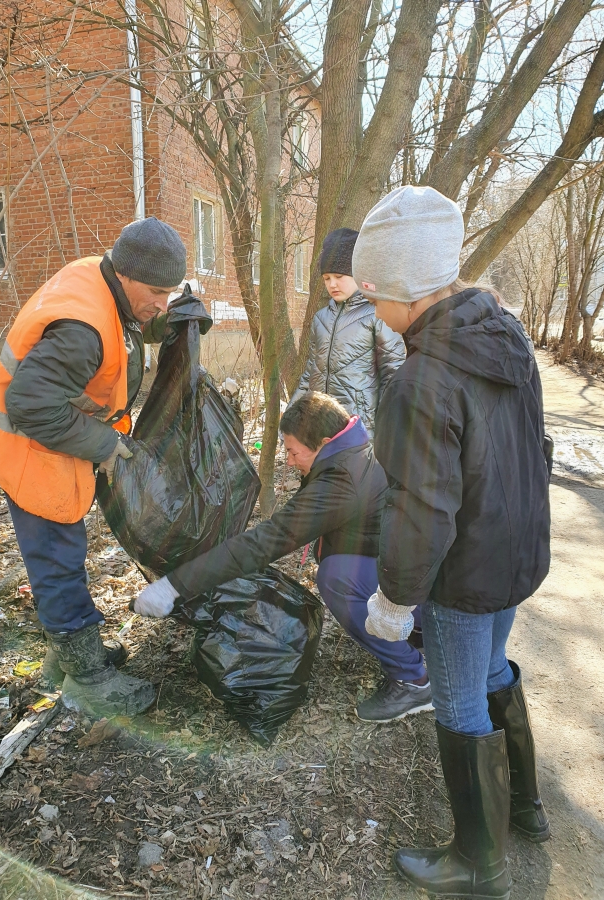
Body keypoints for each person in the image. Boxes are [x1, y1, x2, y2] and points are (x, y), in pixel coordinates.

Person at [352, 185, 552, 899]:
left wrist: (394, 599)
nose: (370, 310)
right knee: (495, 669)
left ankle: (479, 865)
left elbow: (421, 511)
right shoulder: (504, 333)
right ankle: (525, 809)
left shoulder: (419, 380)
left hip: (464, 571)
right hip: (515, 551)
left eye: (371, 292)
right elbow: (536, 446)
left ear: (402, 288)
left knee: (458, 702)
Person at [0, 217, 187, 719]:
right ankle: (90, 679)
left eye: (172, 292)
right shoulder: (82, 328)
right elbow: (30, 404)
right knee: (58, 561)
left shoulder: (99, 280)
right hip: (36, 456)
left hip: (54, 448)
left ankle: (67, 656)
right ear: (126, 274)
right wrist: (103, 443)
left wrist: (177, 317)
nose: (161, 304)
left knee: (61, 558)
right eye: (158, 291)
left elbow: (127, 330)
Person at [132, 391, 433, 722]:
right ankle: (418, 632)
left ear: (322, 442)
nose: (288, 461)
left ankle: (413, 679)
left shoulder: (342, 480)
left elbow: (269, 541)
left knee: (336, 578)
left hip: (419, 587)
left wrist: (175, 585)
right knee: (334, 561)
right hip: (410, 572)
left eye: (292, 451)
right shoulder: (350, 450)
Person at [289, 228, 404, 441]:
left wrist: (388, 429)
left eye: (339, 276)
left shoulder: (378, 314)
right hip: (320, 426)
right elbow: (310, 372)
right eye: (326, 278)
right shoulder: (320, 319)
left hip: (360, 430)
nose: (332, 284)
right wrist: (291, 415)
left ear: (358, 274)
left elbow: (394, 374)